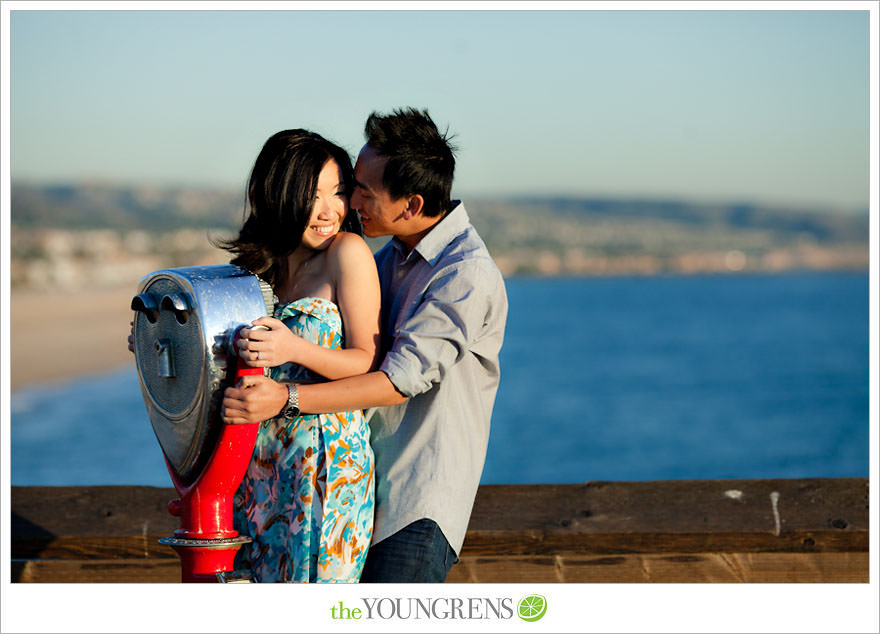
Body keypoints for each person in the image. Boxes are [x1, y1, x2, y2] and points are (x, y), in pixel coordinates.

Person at [222, 108, 508, 583]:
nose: (350, 203)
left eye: (359, 191)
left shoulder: (464, 275)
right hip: (348, 487)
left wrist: (286, 399)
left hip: (415, 503)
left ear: (411, 205)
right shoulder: (392, 257)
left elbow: (395, 381)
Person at [210, 129, 382, 582]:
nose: (330, 211)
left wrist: (293, 347)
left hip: (328, 466)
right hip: (261, 464)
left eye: (339, 193)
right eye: (314, 195)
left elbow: (367, 359)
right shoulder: (255, 270)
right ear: (279, 195)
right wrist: (158, 341)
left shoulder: (347, 252)